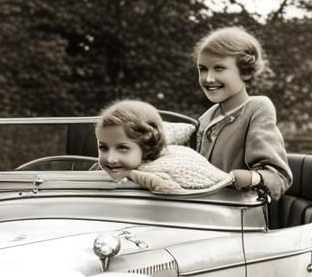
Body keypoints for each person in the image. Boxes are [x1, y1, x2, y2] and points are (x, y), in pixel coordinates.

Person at [192, 27, 291, 200]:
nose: (208, 78)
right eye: (203, 69)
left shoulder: (257, 108)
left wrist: (252, 178)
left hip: (239, 215)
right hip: (201, 208)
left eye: (219, 68)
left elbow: (278, 177)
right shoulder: (205, 119)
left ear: (245, 72)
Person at [95, 99, 232, 194]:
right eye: (103, 148)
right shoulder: (127, 164)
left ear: (146, 146)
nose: (110, 159)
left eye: (122, 148)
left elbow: (170, 189)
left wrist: (131, 174)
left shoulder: (161, 168)